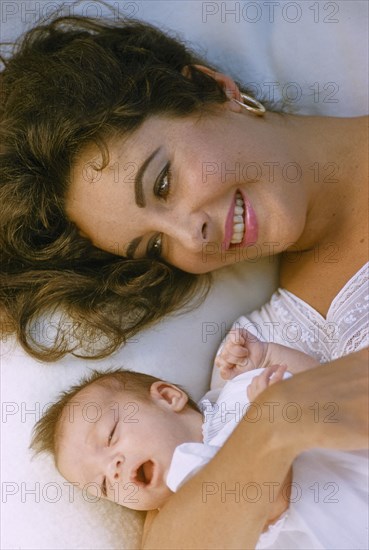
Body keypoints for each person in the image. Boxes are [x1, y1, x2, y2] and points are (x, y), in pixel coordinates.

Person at [1, 13, 368, 549]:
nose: (191, 235)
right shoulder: (262, 348)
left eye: (164, 181)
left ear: (213, 88)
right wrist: (274, 426)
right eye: (155, 246)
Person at [30, 331, 368, 549]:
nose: (114, 469)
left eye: (111, 436)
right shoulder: (190, 489)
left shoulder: (235, 392)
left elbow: (321, 381)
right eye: (103, 485)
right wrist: (269, 416)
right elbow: (271, 501)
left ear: (167, 396)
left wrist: (266, 358)